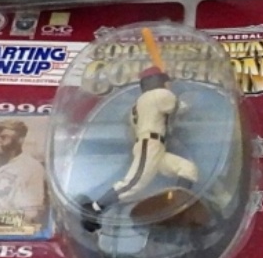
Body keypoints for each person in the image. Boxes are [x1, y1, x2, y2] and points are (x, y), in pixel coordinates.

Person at [80, 65, 198, 228]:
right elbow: (179, 108)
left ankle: (176, 206)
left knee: (187, 169)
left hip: (154, 146)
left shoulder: (138, 103)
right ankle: (95, 208)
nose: (168, 84)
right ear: (158, 81)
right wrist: (187, 97)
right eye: (165, 81)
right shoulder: (159, 94)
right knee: (134, 184)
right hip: (149, 144)